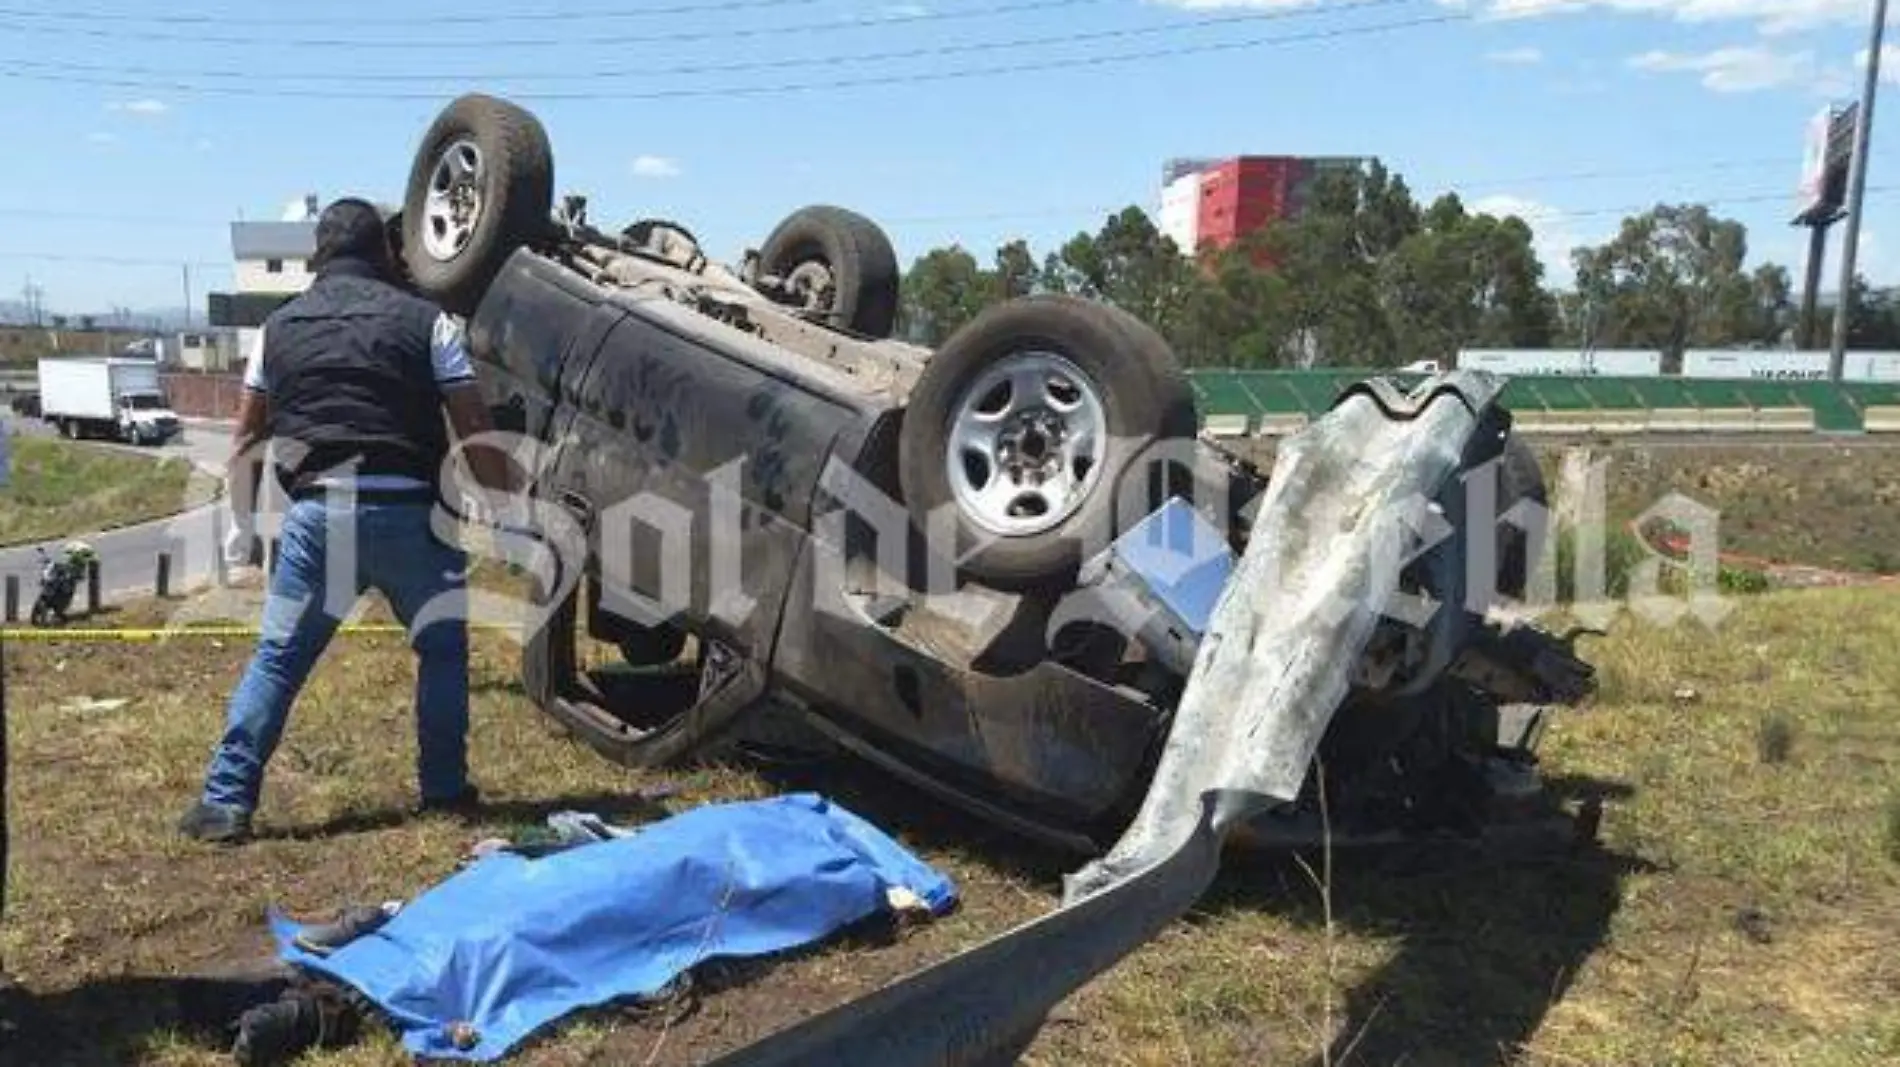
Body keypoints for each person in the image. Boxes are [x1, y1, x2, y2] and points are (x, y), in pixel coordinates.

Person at [178, 197, 514, 846]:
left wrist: (240, 530)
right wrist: (507, 508)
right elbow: (474, 426)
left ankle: (224, 803)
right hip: (414, 516)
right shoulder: (431, 324)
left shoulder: (277, 329)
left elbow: (246, 436)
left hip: (317, 521)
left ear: (319, 257)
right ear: (386, 254)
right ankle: (444, 790)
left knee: (277, 659)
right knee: (441, 652)